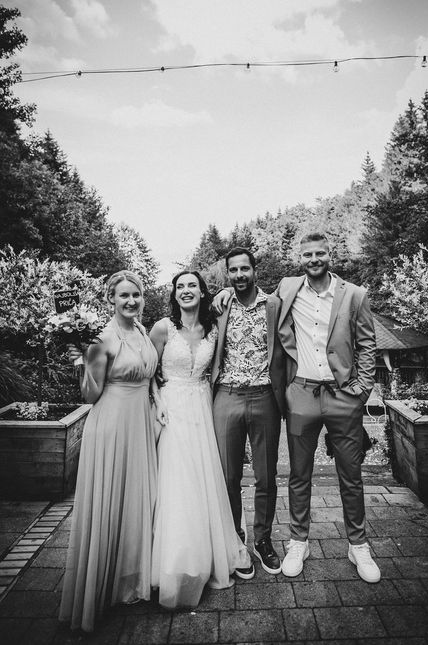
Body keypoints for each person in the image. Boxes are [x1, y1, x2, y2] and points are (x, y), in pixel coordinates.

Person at [270, 233, 381, 583]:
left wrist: (360, 391)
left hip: (342, 394)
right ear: (299, 257)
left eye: (320, 253)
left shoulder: (354, 294)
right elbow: (251, 297)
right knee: (298, 475)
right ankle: (298, 541)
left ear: (331, 254)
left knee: (351, 475)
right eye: (307, 254)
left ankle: (358, 545)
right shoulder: (286, 289)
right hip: (300, 393)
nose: (314, 258)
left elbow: (367, 344)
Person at [59, 271, 158, 632]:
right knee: (111, 501)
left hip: (141, 424)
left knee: (135, 500)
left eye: (136, 295)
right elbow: (90, 395)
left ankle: (130, 578)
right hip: (113, 426)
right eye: (123, 296)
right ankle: (101, 589)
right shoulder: (102, 338)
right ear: (111, 299)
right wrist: (79, 362)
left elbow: (150, 379)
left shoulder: (142, 332)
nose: (131, 301)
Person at [148, 271, 247, 608]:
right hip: (172, 407)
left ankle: (207, 554)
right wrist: (158, 402)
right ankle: (174, 564)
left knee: (204, 480)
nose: (186, 291)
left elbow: (216, 369)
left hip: (203, 405)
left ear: (203, 293)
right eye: (180, 287)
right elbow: (147, 370)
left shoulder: (213, 329)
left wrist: (227, 290)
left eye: (193, 285)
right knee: (176, 481)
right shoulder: (163, 328)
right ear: (174, 295)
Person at [209, 247, 283, 577]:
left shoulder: (275, 305)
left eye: (244, 269)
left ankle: (262, 539)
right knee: (228, 476)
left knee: (266, 476)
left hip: (265, 395)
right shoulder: (219, 306)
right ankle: (235, 539)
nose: (239, 275)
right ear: (228, 274)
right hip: (226, 395)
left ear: (255, 269)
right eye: (233, 271)